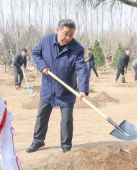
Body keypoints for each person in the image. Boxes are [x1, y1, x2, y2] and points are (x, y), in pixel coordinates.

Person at [27, 19, 89, 153]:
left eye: (71, 35)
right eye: (65, 34)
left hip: (66, 90)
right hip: (48, 87)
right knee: (42, 116)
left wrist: (83, 90)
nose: (68, 38)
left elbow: (82, 70)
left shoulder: (77, 49)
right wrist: (42, 66)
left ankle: (66, 146)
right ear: (58, 30)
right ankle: (38, 141)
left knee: (67, 119)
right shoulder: (46, 40)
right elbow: (36, 53)